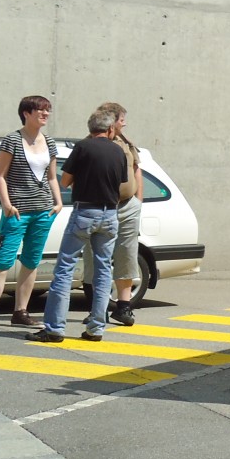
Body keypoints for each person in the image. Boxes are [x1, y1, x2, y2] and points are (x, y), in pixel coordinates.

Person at [27, 106, 127, 344]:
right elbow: (122, 184)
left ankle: (54, 328)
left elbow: (65, 179)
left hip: (85, 211)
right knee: (104, 271)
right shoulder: (118, 151)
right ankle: (95, 328)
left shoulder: (82, 147)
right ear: (110, 129)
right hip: (110, 214)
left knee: (65, 268)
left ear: (91, 129)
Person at [0, 96, 63, 332]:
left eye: (47, 110)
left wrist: (58, 203)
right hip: (17, 212)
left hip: (43, 211)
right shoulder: (12, 140)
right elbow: (0, 175)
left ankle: (21, 312)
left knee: (31, 261)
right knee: (2, 262)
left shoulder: (49, 142)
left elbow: (51, 177)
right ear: (26, 113)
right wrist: (7, 204)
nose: (45, 114)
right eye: (40, 110)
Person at [81, 102, 142, 326]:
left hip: (127, 207)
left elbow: (136, 169)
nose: (125, 123)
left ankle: (123, 307)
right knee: (95, 258)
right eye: (122, 119)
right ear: (112, 121)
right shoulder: (90, 144)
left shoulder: (126, 142)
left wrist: (138, 201)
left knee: (127, 253)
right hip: (99, 208)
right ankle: (98, 308)